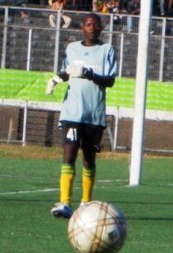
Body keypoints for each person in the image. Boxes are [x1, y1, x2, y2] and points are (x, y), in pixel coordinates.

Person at [45, 13, 117, 218]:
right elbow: (68, 71)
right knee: (69, 153)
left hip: (93, 115)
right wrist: (56, 79)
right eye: (88, 24)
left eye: (95, 25)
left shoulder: (106, 50)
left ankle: (86, 202)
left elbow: (110, 81)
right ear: (82, 28)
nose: (92, 28)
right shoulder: (72, 48)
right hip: (72, 112)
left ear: (101, 28)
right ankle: (65, 203)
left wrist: (90, 74)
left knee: (88, 158)